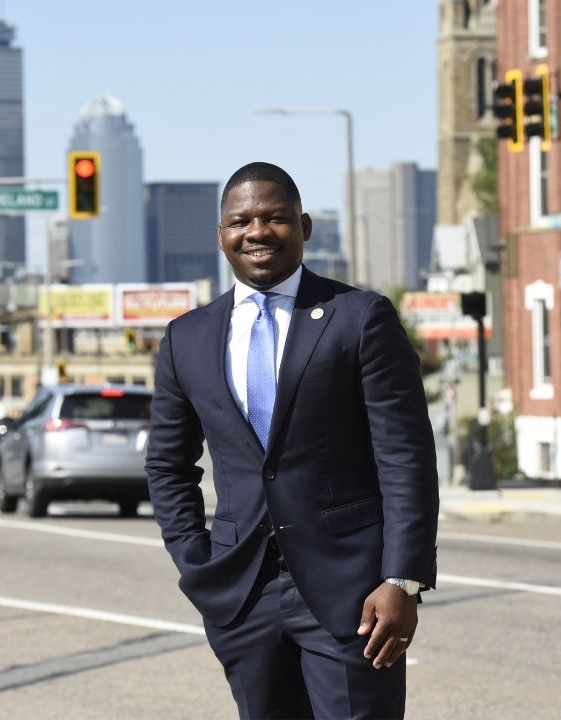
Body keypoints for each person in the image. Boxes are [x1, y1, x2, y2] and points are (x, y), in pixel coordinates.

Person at [146, 161, 439, 719]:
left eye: (275, 218)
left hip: (353, 594)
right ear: (222, 236)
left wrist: (403, 578)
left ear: (304, 227)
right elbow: (167, 465)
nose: (257, 231)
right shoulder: (187, 337)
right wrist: (196, 561)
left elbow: (405, 458)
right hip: (241, 594)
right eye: (241, 221)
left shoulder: (359, 318)